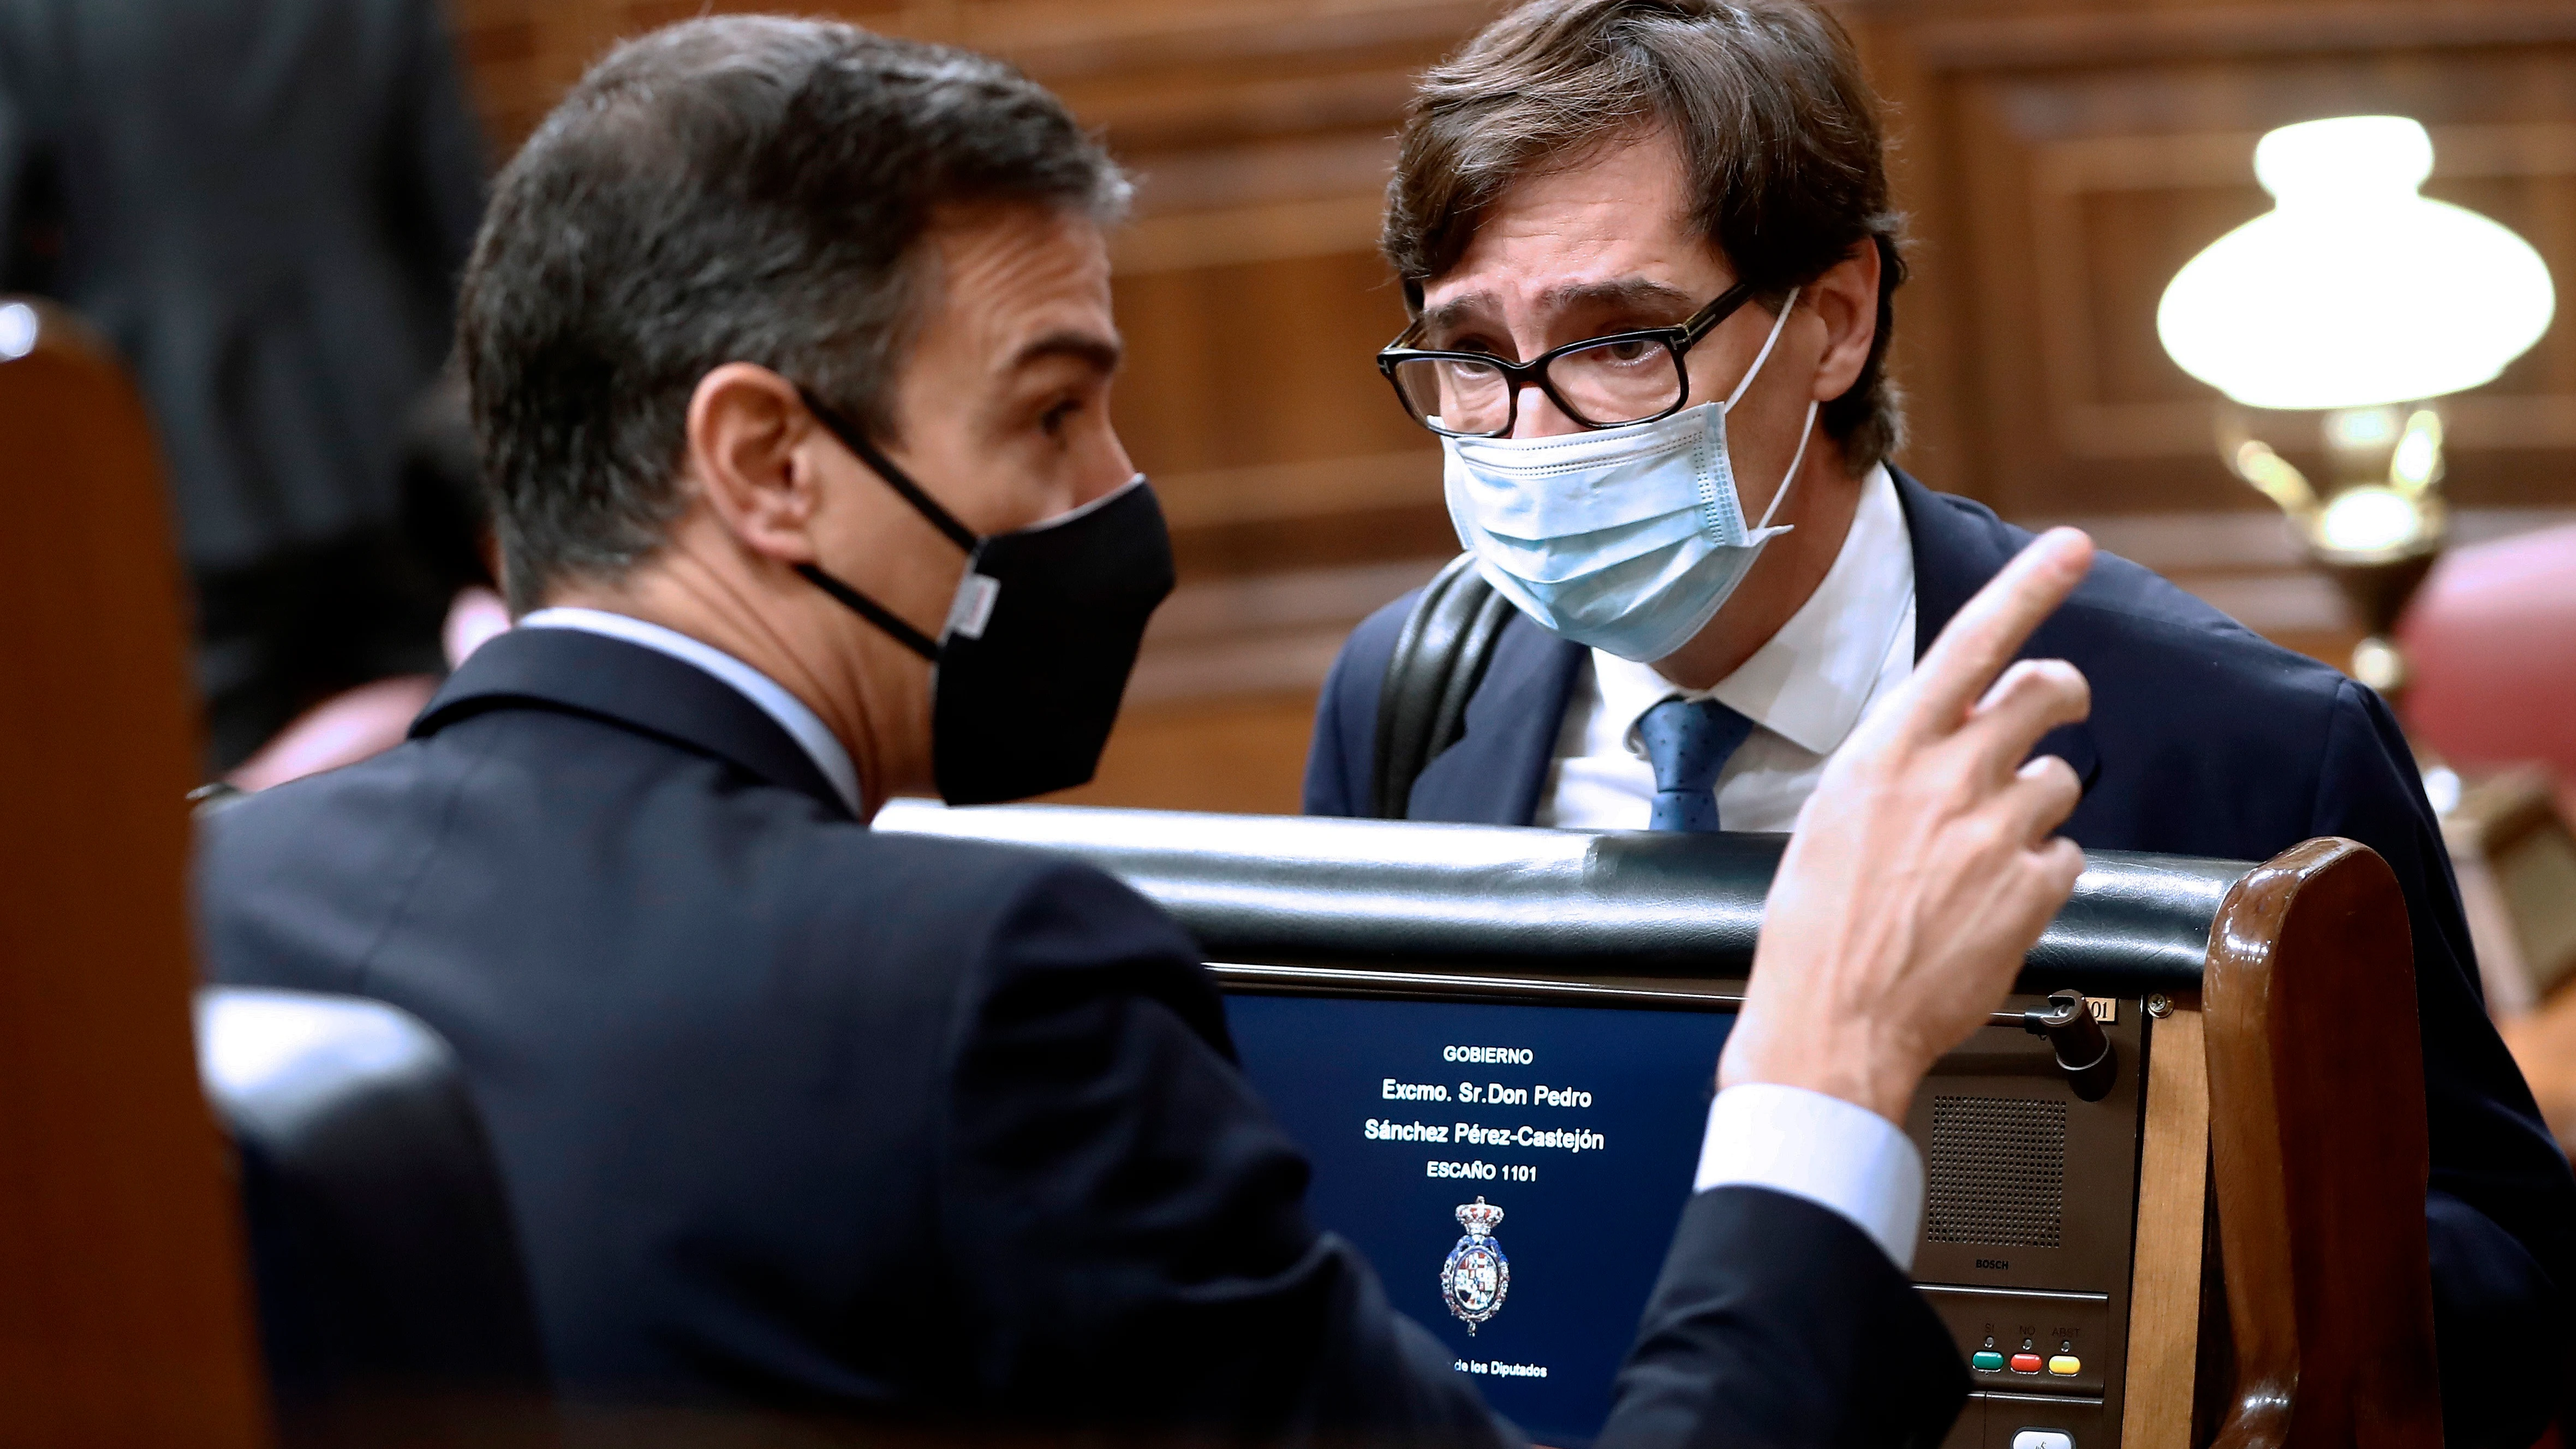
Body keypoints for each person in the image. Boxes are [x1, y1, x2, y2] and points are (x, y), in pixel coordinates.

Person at [198, 17, 2101, 1442]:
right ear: (769, 463)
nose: (1122, 491)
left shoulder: (183, 908)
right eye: (1048, 416)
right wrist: (1825, 1076)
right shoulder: (989, 993)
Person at [1299, 2, 2576, 1442]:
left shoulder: (2249, 741)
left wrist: (2165, 1238)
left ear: (1834, 318)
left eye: (1623, 341)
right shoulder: (1406, 697)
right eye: (1471, 352)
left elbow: (2516, 1283)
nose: (1530, 434)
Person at [0, 0, 487, 770]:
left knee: (201, 793)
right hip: (385, 418)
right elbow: (458, 213)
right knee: (451, 739)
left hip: (167, 447)